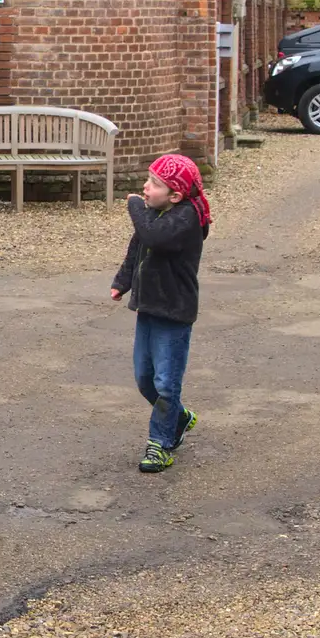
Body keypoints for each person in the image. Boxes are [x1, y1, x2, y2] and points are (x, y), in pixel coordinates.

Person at [110, 154, 212, 474]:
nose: (146, 187)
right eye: (148, 180)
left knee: (166, 383)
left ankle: (161, 444)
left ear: (176, 195)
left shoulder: (185, 219)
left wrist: (135, 207)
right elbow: (138, 248)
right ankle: (179, 417)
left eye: (155, 183)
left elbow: (154, 236)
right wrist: (122, 282)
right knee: (144, 379)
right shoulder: (155, 213)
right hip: (149, 307)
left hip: (175, 311)